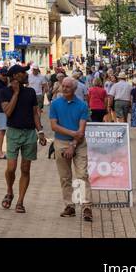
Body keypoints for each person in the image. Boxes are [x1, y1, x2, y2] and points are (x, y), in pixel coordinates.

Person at [0, 64, 47, 213]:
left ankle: (20, 201)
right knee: (11, 168)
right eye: (23, 73)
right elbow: (7, 112)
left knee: (25, 169)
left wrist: (40, 131)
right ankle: (9, 191)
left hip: (29, 134)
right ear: (14, 76)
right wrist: (15, 93)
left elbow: (35, 114)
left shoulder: (31, 92)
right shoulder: (4, 92)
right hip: (13, 132)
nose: (26, 75)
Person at [48, 76, 92, 221]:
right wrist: (72, 133)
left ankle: (86, 206)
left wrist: (73, 144)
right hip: (61, 142)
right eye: (63, 86)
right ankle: (69, 206)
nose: (65, 88)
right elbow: (54, 126)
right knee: (65, 177)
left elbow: (81, 130)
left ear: (74, 89)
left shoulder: (82, 105)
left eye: (68, 86)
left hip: (78, 144)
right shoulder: (55, 104)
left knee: (82, 175)